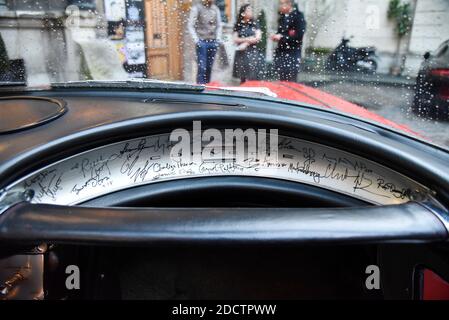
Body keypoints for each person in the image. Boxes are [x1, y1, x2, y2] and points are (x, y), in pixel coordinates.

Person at [188, 0, 223, 84]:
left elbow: (219, 25)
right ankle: (200, 88)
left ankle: (207, 86)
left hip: (213, 41)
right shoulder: (196, 8)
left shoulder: (216, 9)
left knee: (209, 67)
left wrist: (217, 39)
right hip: (202, 41)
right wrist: (196, 40)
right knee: (202, 67)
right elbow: (190, 25)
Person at [271, 0, 306, 81]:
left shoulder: (298, 16)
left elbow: (299, 35)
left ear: (289, 4)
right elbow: (280, 32)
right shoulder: (282, 18)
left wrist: (282, 37)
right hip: (281, 53)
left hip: (292, 53)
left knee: (291, 80)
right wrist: (276, 36)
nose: (280, 6)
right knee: (282, 79)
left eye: (282, 3)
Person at [232, 4, 264, 83]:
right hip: (241, 52)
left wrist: (246, 43)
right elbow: (235, 39)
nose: (250, 12)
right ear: (243, 12)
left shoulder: (255, 23)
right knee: (242, 77)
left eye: (251, 10)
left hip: (252, 52)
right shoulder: (238, 24)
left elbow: (258, 37)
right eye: (248, 10)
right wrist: (247, 39)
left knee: (252, 76)